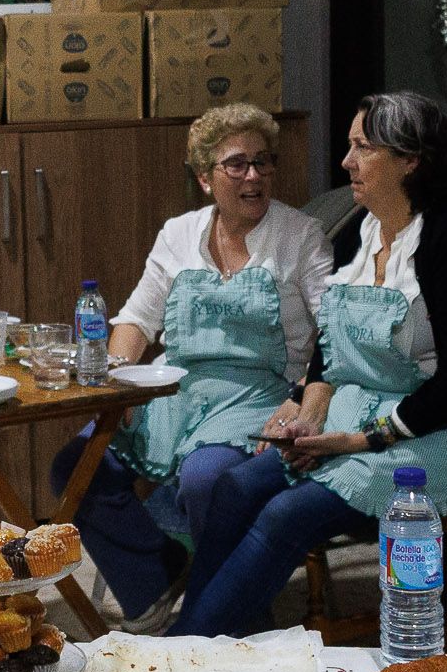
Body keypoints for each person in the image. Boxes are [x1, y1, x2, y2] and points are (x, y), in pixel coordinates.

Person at [174, 91, 447, 638]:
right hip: (370, 408)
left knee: (287, 515)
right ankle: (200, 647)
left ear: (409, 160)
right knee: (236, 488)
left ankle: (183, 655)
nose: (346, 161)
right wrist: (312, 407)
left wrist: (358, 440)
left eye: (362, 148)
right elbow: (333, 335)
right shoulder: (365, 228)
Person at [49, 105, 332, 630]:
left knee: (207, 480)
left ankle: (231, 612)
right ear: (204, 178)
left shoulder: (300, 236)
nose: (254, 175)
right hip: (173, 389)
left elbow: (331, 332)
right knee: (75, 467)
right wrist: (118, 384)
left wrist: (302, 400)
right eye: (237, 164)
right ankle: (155, 576)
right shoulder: (178, 234)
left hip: (257, 393)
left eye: (263, 162)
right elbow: (136, 320)